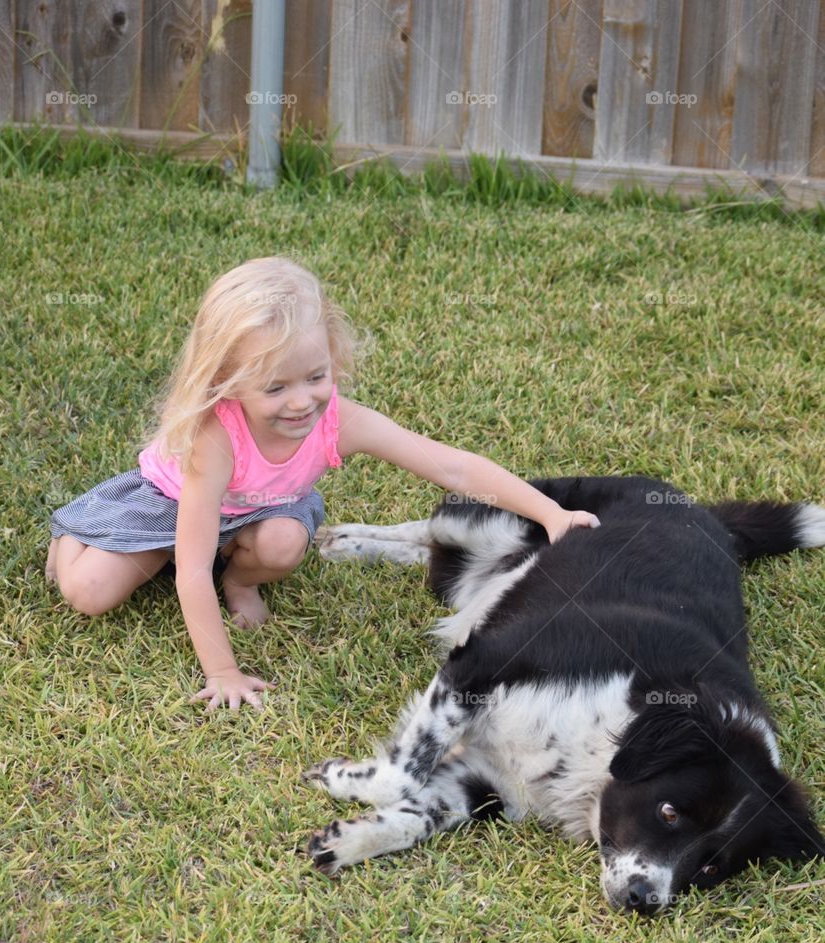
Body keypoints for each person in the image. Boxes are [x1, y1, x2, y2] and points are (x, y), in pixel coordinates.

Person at [47, 257, 599, 713]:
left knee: (285, 542)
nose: (301, 401)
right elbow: (190, 568)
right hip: (171, 510)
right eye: (275, 387)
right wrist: (223, 671)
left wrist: (551, 513)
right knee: (89, 593)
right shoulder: (216, 439)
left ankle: (239, 581)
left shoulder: (339, 420)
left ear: (332, 356)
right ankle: (73, 538)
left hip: (260, 515)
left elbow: (450, 467)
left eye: (316, 377)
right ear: (227, 383)